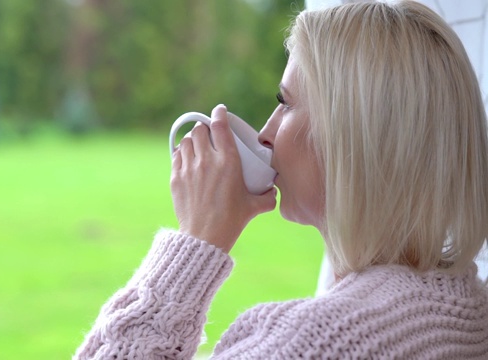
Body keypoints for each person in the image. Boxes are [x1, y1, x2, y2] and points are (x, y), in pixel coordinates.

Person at [74, 1, 488, 358]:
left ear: (352, 138)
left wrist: (196, 242)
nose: (265, 133)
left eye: (285, 104)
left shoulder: (311, 341)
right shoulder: (470, 309)